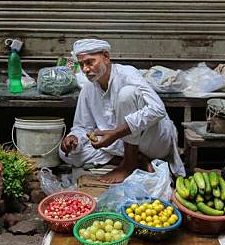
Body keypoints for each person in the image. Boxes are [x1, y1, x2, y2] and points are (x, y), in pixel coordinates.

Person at [59, 39, 185, 183]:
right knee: (66, 153)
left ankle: (129, 164)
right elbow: (83, 126)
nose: (85, 69)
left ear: (106, 57)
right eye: (81, 64)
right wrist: (74, 137)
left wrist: (116, 133)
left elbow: (158, 109)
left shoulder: (127, 74)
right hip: (118, 144)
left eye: (90, 62)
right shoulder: (88, 88)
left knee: (127, 94)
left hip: (153, 140)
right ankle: (137, 160)